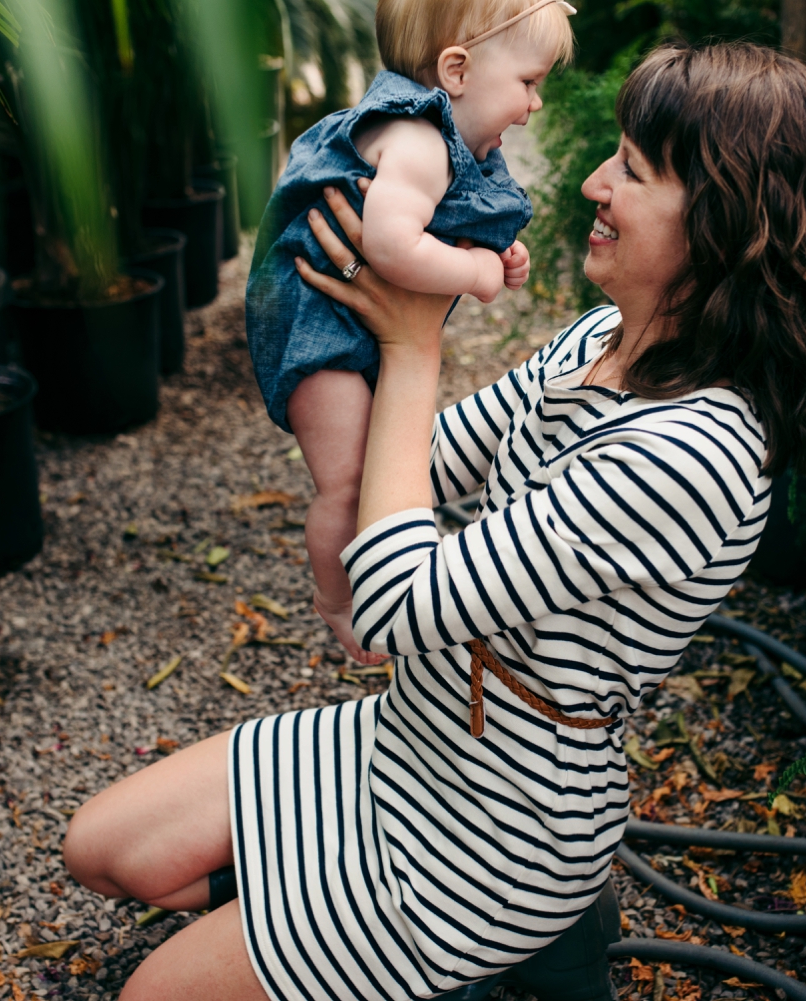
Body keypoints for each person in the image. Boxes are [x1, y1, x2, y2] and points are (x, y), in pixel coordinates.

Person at [64, 41, 806, 1001]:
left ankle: (431, 946)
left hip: (499, 835)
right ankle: (328, 928)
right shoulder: (603, 342)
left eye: (632, 167)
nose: (592, 180)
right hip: (414, 735)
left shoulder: (691, 453)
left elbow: (393, 603)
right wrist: (336, 330)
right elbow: (425, 461)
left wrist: (411, 343)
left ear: (727, 224)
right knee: (105, 850)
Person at [245, 0, 576, 666]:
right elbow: (392, 246)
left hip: (346, 326)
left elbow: (444, 227)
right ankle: (337, 601)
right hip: (319, 335)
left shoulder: (446, 139)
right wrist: (478, 272)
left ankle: (377, 574)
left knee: (381, 464)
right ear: (456, 69)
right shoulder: (419, 141)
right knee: (348, 482)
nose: (535, 104)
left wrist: (497, 252)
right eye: (529, 82)